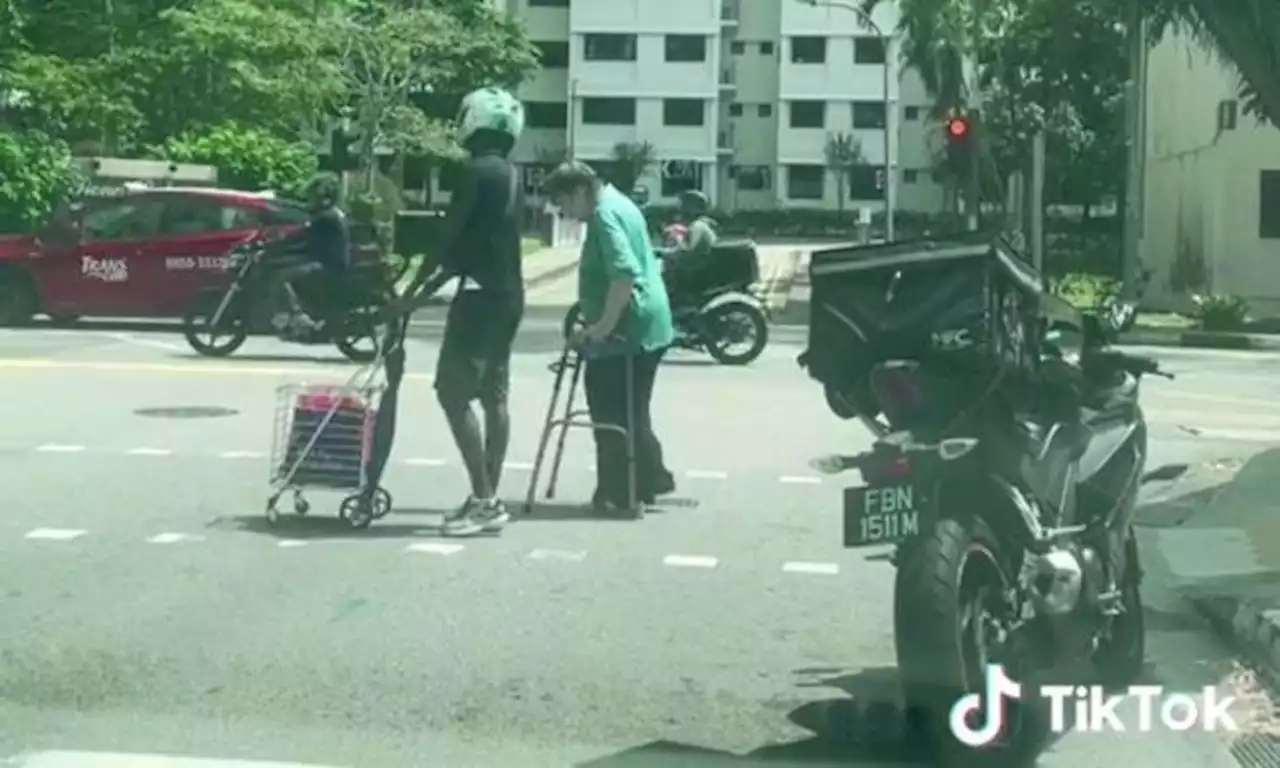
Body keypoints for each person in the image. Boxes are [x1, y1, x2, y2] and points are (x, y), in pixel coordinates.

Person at [385, 86, 526, 537]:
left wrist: (413, 292)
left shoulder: (474, 172)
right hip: (509, 295)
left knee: (452, 392)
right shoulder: (511, 173)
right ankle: (488, 496)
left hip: (480, 297)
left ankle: (484, 501)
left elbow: (451, 240)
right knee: (494, 396)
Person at [542, 161, 677, 513]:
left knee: (608, 409)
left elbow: (623, 275)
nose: (566, 215)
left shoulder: (603, 216)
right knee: (633, 408)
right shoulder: (620, 201)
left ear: (579, 192)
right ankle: (647, 478)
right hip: (650, 320)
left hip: (628, 324)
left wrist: (600, 328)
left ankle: (618, 490)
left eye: (564, 205)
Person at [269, 172, 350, 338]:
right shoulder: (332, 213)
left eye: (313, 197)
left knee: (281, 277)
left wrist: (279, 241)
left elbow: (302, 233)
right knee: (285, 265)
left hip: (326, 264)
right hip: (325, 260)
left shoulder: (326, 217)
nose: (311, 201)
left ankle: (298, 316)